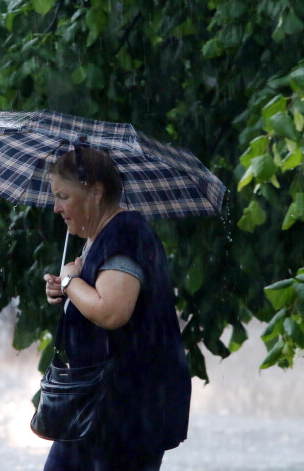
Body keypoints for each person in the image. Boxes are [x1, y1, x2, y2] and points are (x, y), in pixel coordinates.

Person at [42, 146, 191, 471]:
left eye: (64, 196)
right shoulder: (100, 237)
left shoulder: (125, 234)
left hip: (125, 416)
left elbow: (111, 311)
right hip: (94, 409)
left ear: (95, 192)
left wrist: (70, 283)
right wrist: (68, 291)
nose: (56, 208)